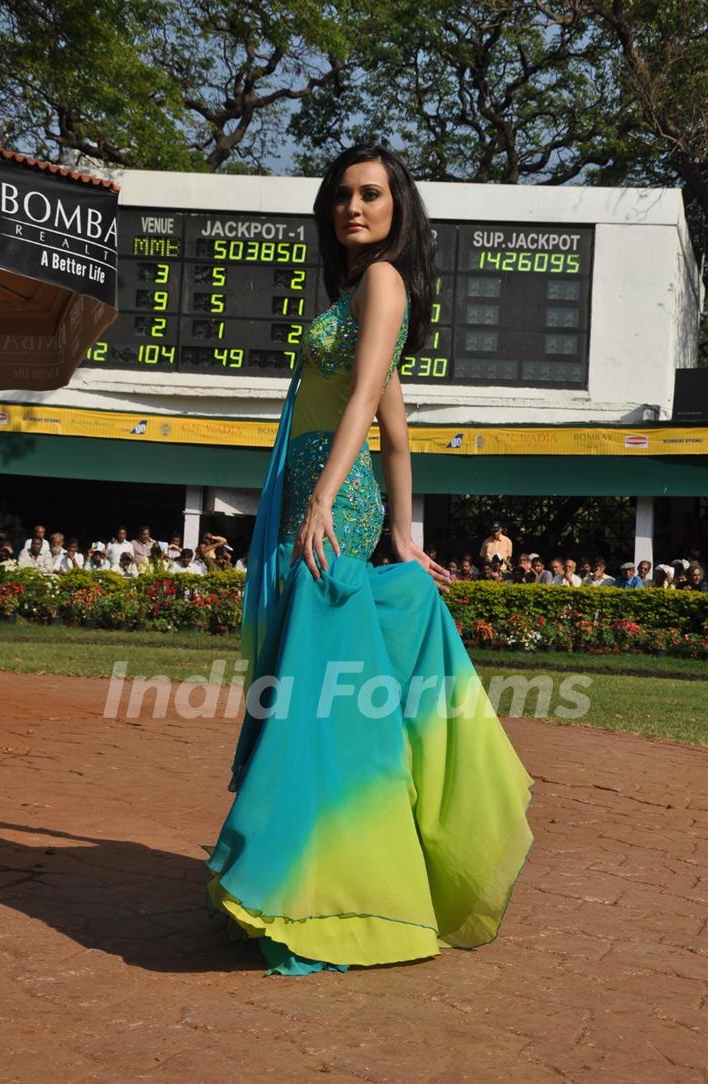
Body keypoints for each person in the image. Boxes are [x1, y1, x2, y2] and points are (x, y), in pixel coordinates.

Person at [203, 144, 534, 976]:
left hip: (325, 501)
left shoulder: (383, 282)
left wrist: (329, 503)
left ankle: (325, 883)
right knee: (314, 683)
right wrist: (405, 532)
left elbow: (363, 402)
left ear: (397, 207)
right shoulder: (354, 291)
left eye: (372, 194)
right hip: (318, 496)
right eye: (343, 195)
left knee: (317, 697)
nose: (354, 207)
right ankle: (319, 869)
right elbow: (396, 422)